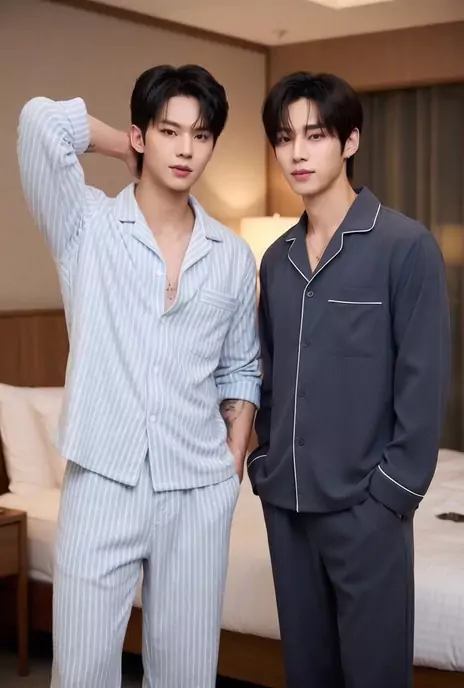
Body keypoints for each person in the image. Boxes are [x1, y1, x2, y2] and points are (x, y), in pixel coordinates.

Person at [17, 64, 261, 687]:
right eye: (167, 131)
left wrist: (231, 460)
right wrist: (117, 145)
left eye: (200, 135)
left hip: (197, 489)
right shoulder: (86, 228)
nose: (185, 149)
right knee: (81, 673)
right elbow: (39, 123)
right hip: (102, 478)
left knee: (185, 676)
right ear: (141, 135)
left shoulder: (232, 257)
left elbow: (241, 367)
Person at [247, 71, 451, 688]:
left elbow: (423, 386)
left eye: (316, 135)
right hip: (288, 508)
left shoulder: (405, 247)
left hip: (367, 513)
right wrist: (264, 465)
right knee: (307, 675)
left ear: (350, 141)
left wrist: (389, 499)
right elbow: (271, 377)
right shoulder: (276, 260)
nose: (298, 152)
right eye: (285, 138)